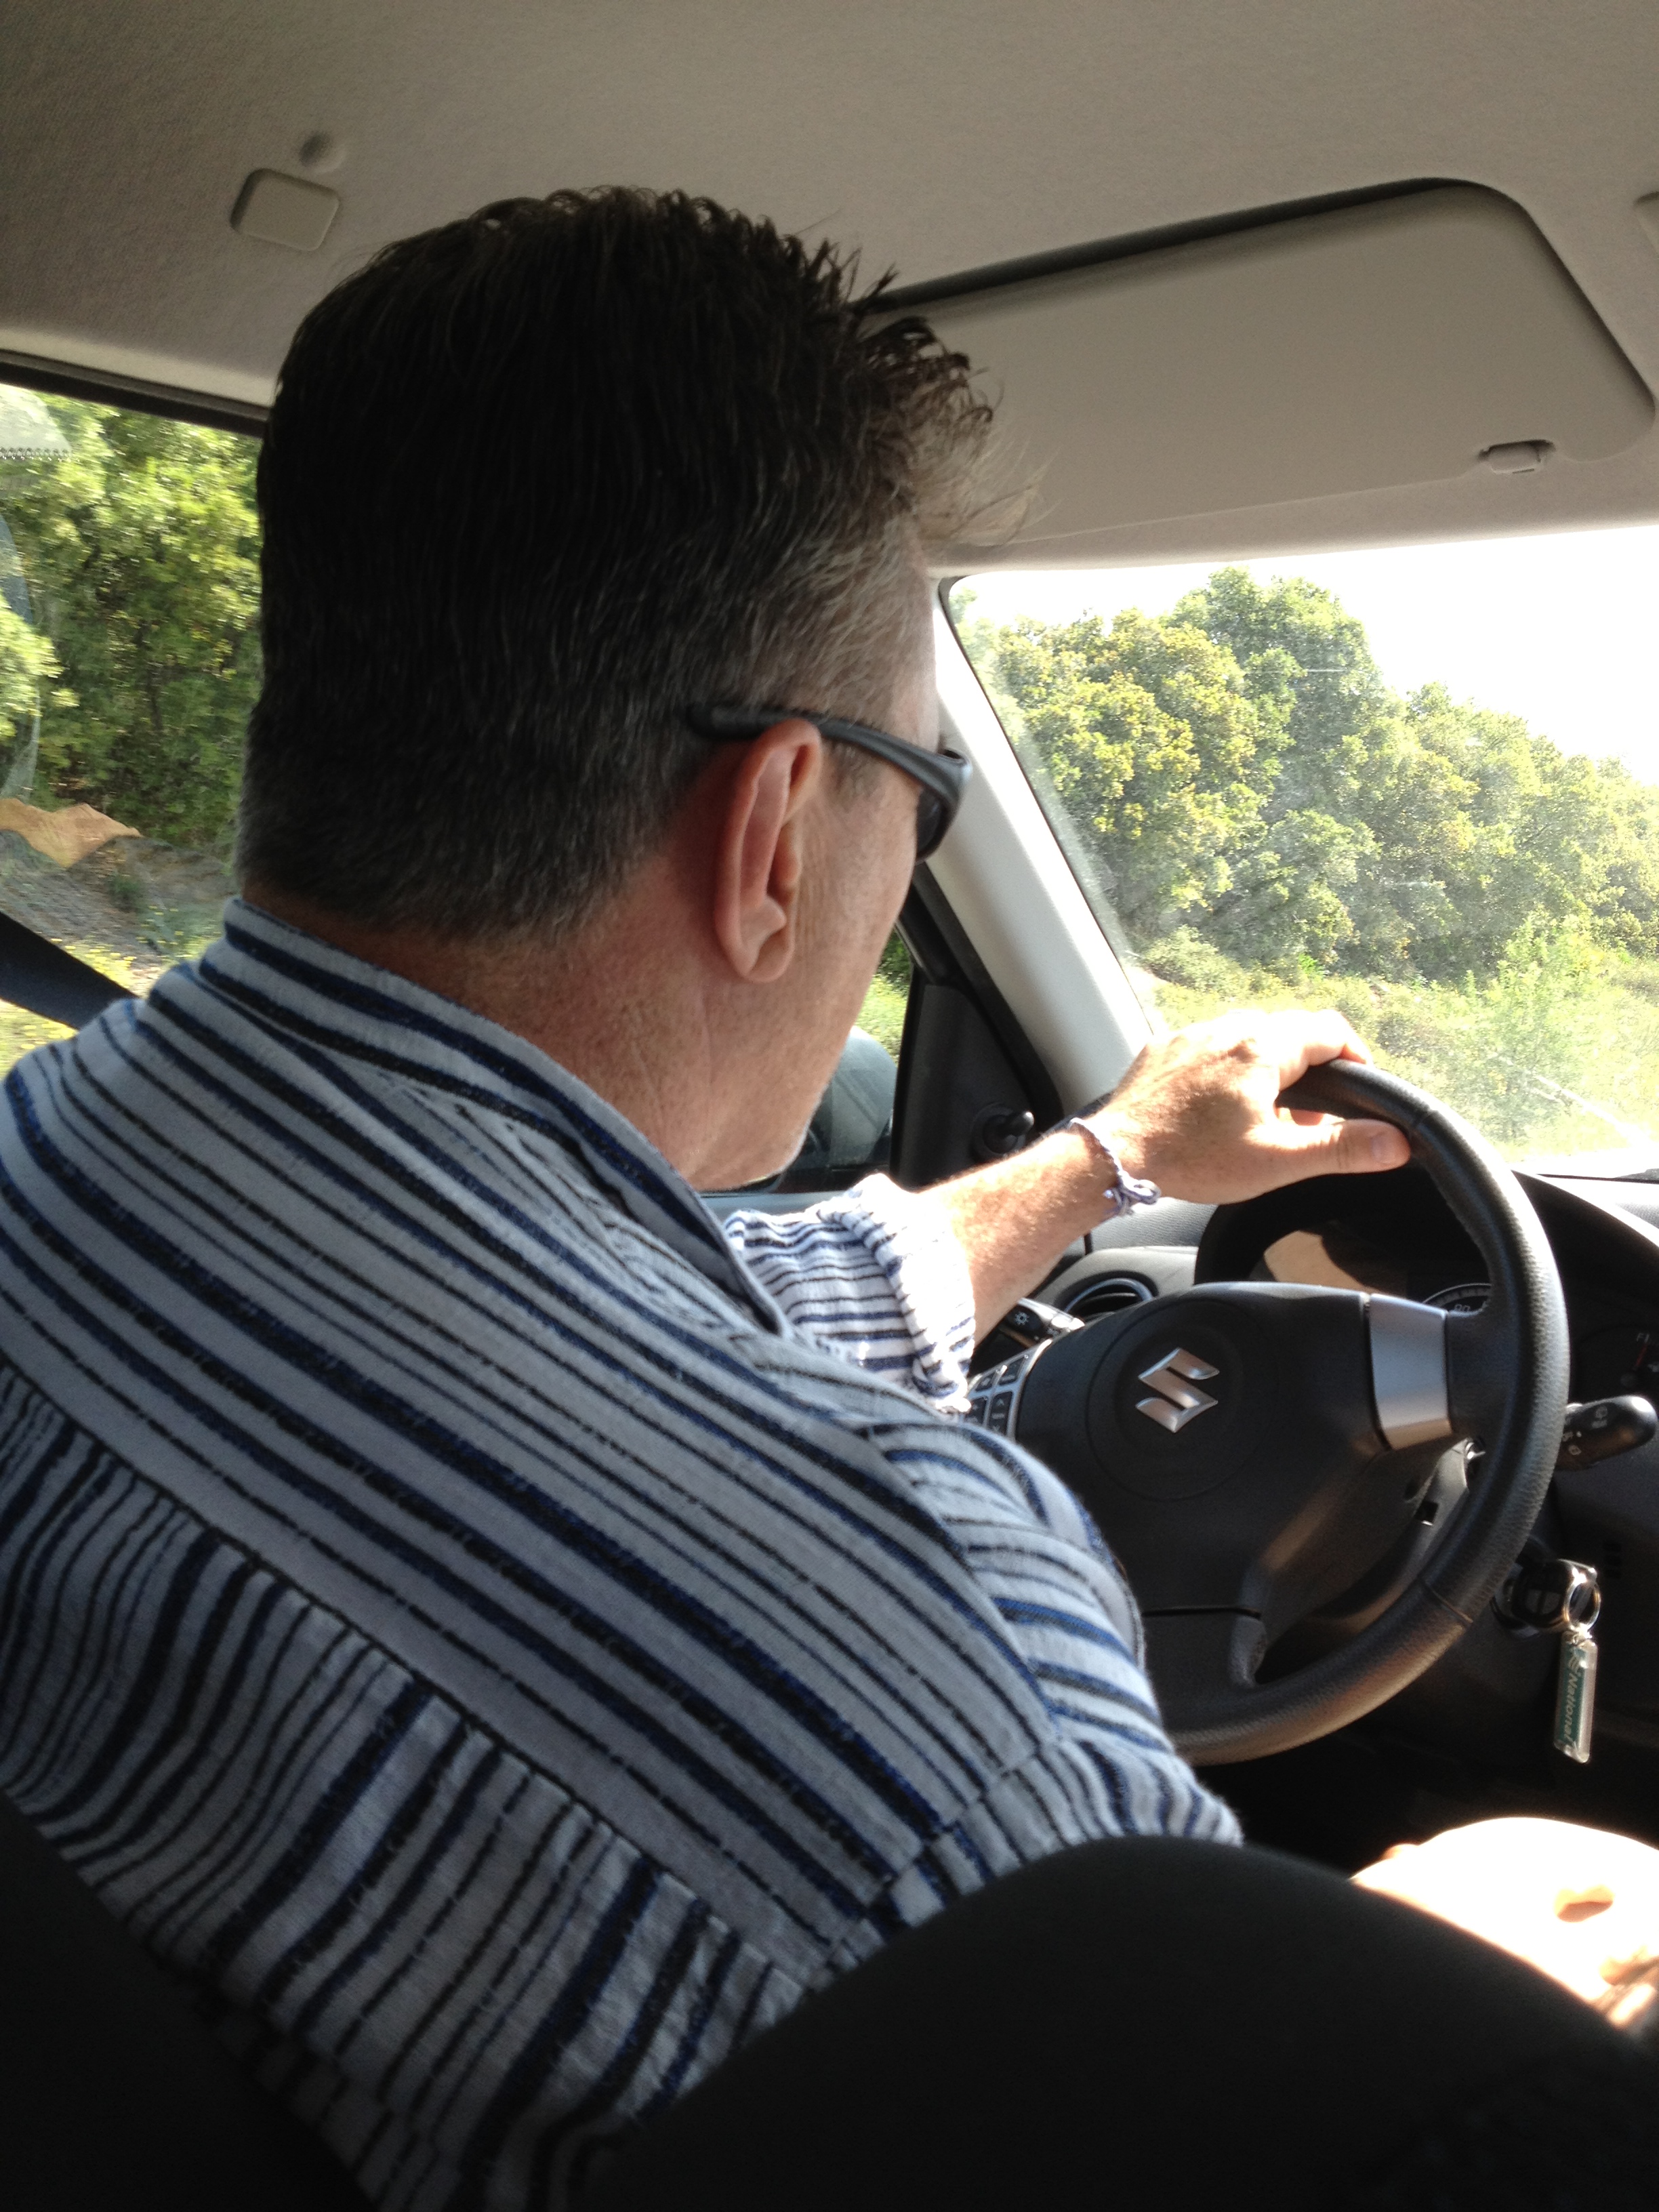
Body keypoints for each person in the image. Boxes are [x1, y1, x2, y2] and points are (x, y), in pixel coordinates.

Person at [0, 188, 1610, 2209]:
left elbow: (686, 1314)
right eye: (922, 796)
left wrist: (1109, 1159)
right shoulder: (931, 1646)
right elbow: (1231, 2121)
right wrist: (1446, 1979)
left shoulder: (65, 1161)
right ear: (773, 828)